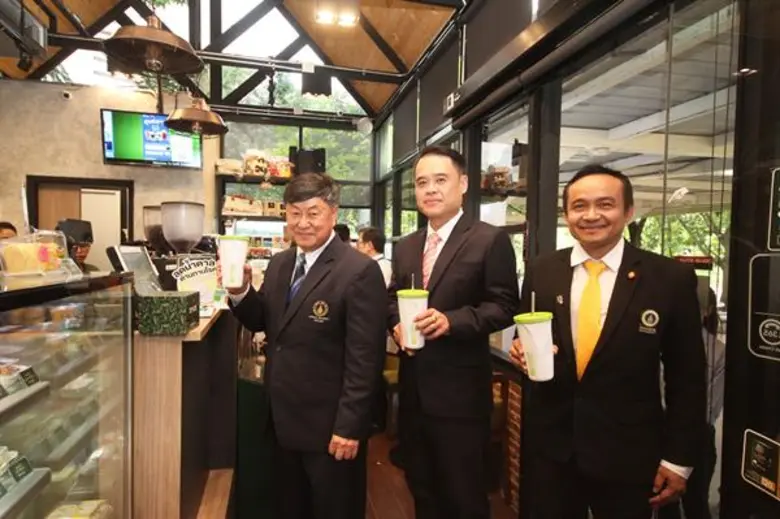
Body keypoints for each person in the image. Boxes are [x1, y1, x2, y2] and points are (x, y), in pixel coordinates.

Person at [509, 164, 706, 519]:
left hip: (629, 455)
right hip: (552, 452)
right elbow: (526, 336)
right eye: (579, 206)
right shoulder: (542, 271)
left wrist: (678, 459)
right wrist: (520, 351)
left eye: (605, 204)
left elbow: (687, 377)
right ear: (566, 215)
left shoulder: (669, 278)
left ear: (628, 211)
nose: (591, 215)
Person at [224, 173, 388, 519]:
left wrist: (349, 427)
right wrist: (239, 292)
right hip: (282, 420)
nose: (303, 223)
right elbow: (264, 320)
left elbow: (365, 359)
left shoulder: (358, 271)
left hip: (330, 427)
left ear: (333, 213)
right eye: (295, 213)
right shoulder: (281, 263)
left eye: (313, 213)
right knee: (290, 508)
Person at [388, 146, 519, 518]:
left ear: (463, 184)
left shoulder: (488, 240)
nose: (430, 189)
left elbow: (505, 305)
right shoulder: (407, 246)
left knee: (463, 497)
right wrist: (395, 325)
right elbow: (391, 299)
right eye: (422, 182)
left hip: (460, 398)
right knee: (422, 490)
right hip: (412, 393)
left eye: (440, 180)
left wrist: (452, 321)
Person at [659, 283, 725, 519]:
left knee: (695, 504)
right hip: (656, 433)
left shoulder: (717, 351)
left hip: (696, 438)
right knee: (663, 506)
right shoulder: (653, 340)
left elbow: (709, 409)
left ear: (707, 311)